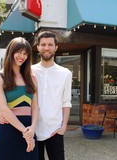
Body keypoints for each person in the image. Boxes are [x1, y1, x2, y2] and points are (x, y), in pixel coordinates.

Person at [0, 37, 39, 160]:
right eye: (19, 52)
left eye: (25, 53)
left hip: (29, 131)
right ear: (10, 52)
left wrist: (32, 128)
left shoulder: (32, 78)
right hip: (7, 134)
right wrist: (26, 133)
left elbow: (35, 107)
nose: (22, 56)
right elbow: (4, 109)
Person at [32, 31, 72, 160]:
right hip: (33, 128)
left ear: (56, 47)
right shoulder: (29, 71)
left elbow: (66, 102)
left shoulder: (65, 73)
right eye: (43, 44)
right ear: (38, 47)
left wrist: (64, 126)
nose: (46, 48)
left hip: (55, 130)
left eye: (50, 44)